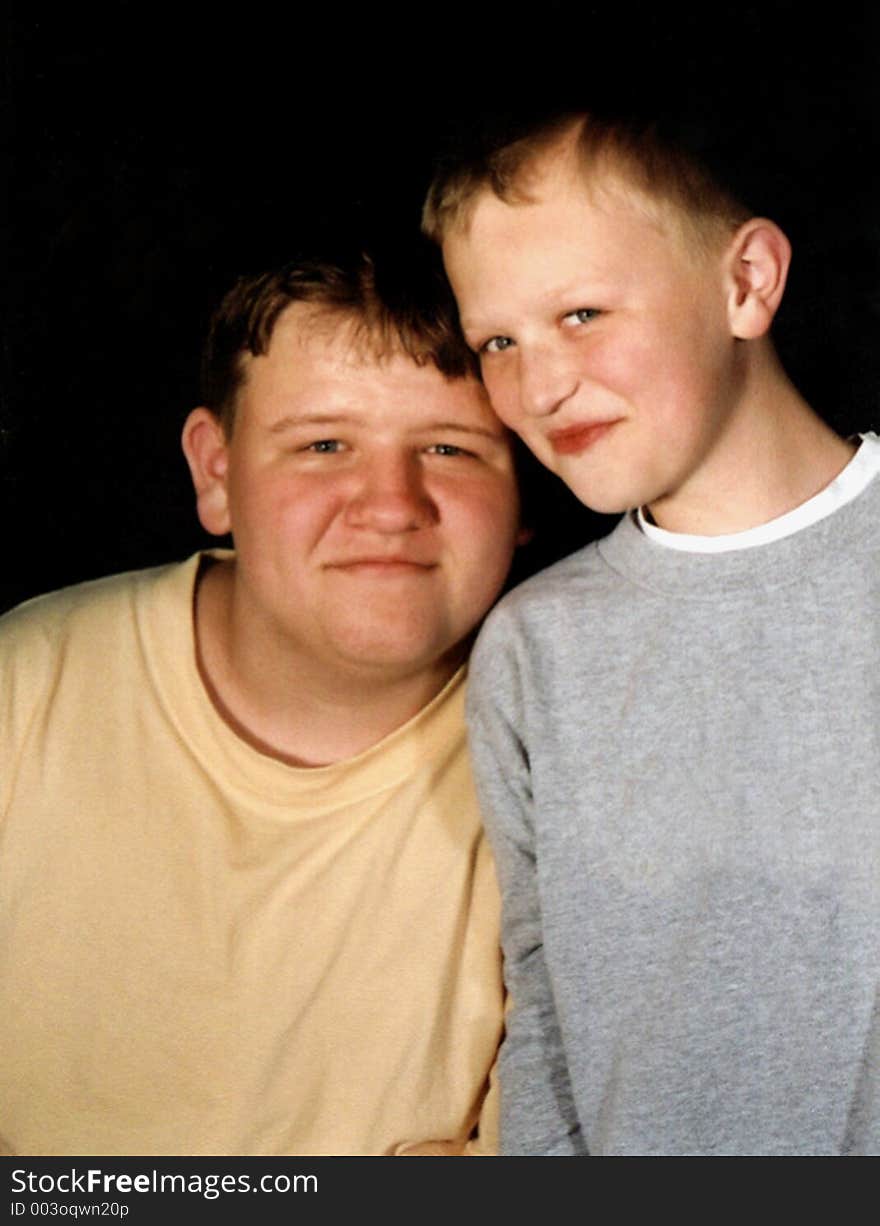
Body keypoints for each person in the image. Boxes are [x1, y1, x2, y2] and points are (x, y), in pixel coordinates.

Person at [0, 251, 527, 1157]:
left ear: (527, 487)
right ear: (215, 471)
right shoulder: (24, 687)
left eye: (449, 448)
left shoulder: (567, 757)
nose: (392, 505)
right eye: (324, 446)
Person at [424, 111, 880, 1156]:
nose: (537, 387)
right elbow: (542, 996)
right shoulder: (533, 650)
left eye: (580, 313)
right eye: (497, 341)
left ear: (747, 283)